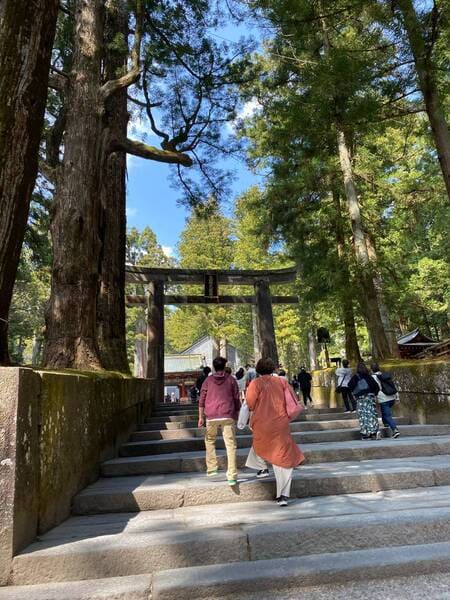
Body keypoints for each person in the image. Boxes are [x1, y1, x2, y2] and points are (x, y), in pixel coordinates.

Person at [245, 357, 305, 507]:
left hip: (262, 423)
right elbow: (292, 401)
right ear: (272, 368)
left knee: (260, 445)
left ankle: (262, 467)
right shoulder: (282, 382)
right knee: (283, 457)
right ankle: (283, 495)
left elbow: (250, 403)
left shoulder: (255, 383)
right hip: (280, 422)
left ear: (258, 369)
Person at [198, 356, 241, 486]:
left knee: (210, 440)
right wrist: (237, 414)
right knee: (230, 445)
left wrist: (201, 417)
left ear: (214, 367)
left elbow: (202, 400)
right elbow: (236, 398)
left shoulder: (208, 380)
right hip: (227, 414)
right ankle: (232, 475)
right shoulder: (231, 380)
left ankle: (212, 468)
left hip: (211, 415)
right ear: (224, 366)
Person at [348, 361, 380, 440]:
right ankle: (374, 431)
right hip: (370, 397)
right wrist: (374, 394)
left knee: (363, 416)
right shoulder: (369, 376)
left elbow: (349, 385)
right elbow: (377, 387)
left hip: (361, 399)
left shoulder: (356, 377)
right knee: (371, 414)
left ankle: (365, 433)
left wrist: (355, 393)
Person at [371, 363, 400, 438]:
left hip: (383, 398)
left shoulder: (373, 377)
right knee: (385, 412)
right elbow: (393, 385)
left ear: (371, 369)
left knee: (387, 415)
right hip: (392, 397)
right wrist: (397, 398)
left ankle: (395, 430)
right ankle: (386, 423)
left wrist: (374, 397)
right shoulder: (385, 375)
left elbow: (374, 389)